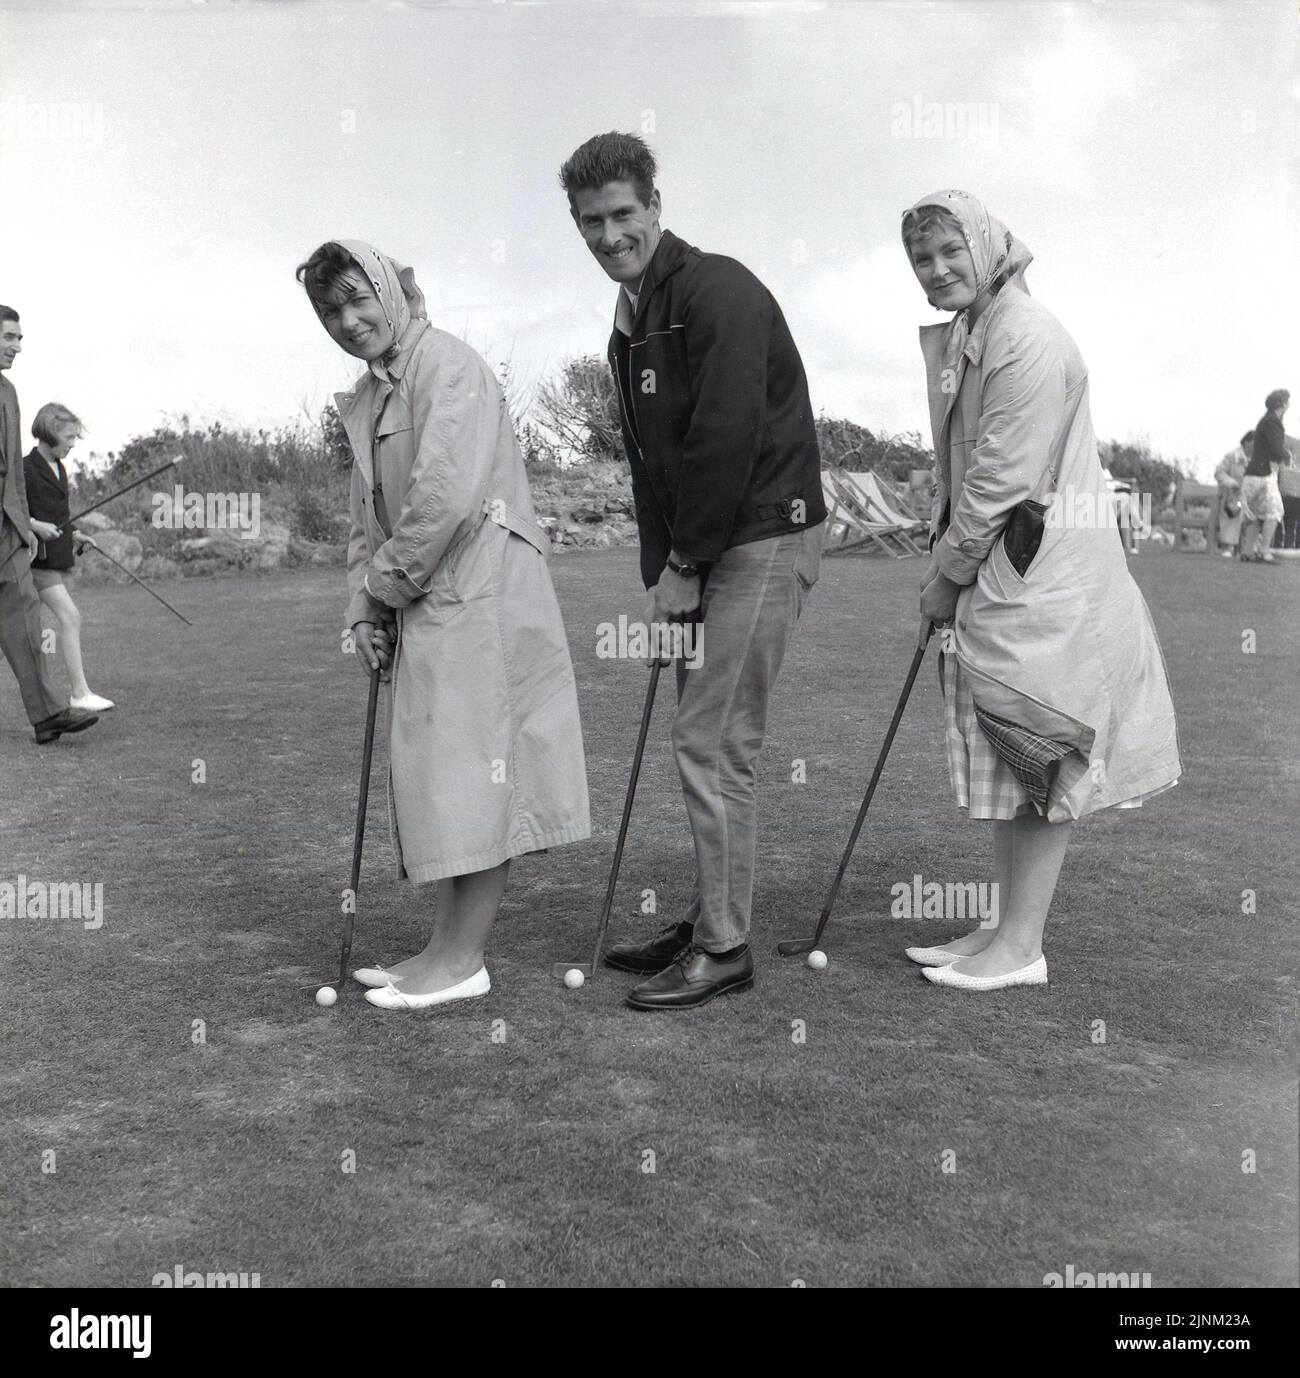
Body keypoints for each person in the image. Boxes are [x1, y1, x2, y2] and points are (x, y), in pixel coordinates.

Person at [559, 132, 827, 1010]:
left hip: (761, 536)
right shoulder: (632, 321)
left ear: (656, 208)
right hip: (710, 549)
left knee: (712, 743)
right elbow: (650, 470)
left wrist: (684, 563)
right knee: (701, 738)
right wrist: (661, 582)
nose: (607, 235)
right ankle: (715, 913)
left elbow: (725, 435)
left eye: (622, 215)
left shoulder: (717, 289)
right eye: (590, 221)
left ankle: (727, 947)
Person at [297, 241, 590, 1010]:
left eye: (360, 298)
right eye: (331, 310)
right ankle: (441, 947)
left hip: (483, 597)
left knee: (477, 772)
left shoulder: (447, 368)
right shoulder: (374, 394)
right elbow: (371, 514)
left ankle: (462, 961)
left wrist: (384, 591)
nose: (348, 319)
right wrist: (362, 605)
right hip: (436, 594)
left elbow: (442, 503)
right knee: (445, 772)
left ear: (395, 291)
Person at [902, 190, 1181, 991]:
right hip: (1010, 574)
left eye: (950, 251)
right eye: (922, 259)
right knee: (1006, 756)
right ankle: (999, 926)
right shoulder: (973, 331)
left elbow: (998, 482)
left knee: (1040, 754)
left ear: (988, 247)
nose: (937, 268)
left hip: (1044, 581)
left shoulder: (1025, 335)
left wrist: (943, 577)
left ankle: (1022, 947)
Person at [0, 306, 98, 745]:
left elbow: (13, 477)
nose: (17, 346)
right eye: (9, 337)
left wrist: (24, 527)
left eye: (19, 338)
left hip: (8, 532)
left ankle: (47, 715)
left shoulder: (8, 392)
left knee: (25, 619)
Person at [24, 403, 114, 711]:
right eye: (70, 437)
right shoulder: (24, 468)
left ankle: (79, 692)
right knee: (69, 616)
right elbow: (10, 510)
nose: (73, 444)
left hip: (52, 559)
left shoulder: (60, 468)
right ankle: (79, 693)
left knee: (21, 630)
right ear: (50, 433)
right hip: (31, 560)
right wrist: (34, 525)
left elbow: (58, 515)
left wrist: (74, 533)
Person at [1238, 389, 1289, 563]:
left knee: (1255, 514)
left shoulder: (1264, 421)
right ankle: (1264, 551)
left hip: (1251, 475)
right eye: (1287, 402)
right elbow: (1276, 449)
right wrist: (1288, 456)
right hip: (1264, 475)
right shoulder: (1274, 422)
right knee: (1274, 511)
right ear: (1282, 403)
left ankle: (1247, 551)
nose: (1289, 405)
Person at [1214, 432, 1252, 556]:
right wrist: (1232, 483)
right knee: (1232, 514)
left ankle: (1246, 550)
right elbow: (1219, 473)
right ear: (1247, 442)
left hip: (1249, 497)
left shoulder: (1256, 459)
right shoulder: (1232, 455)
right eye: (1254, 442)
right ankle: (1227, 548)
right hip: (1232, 496)